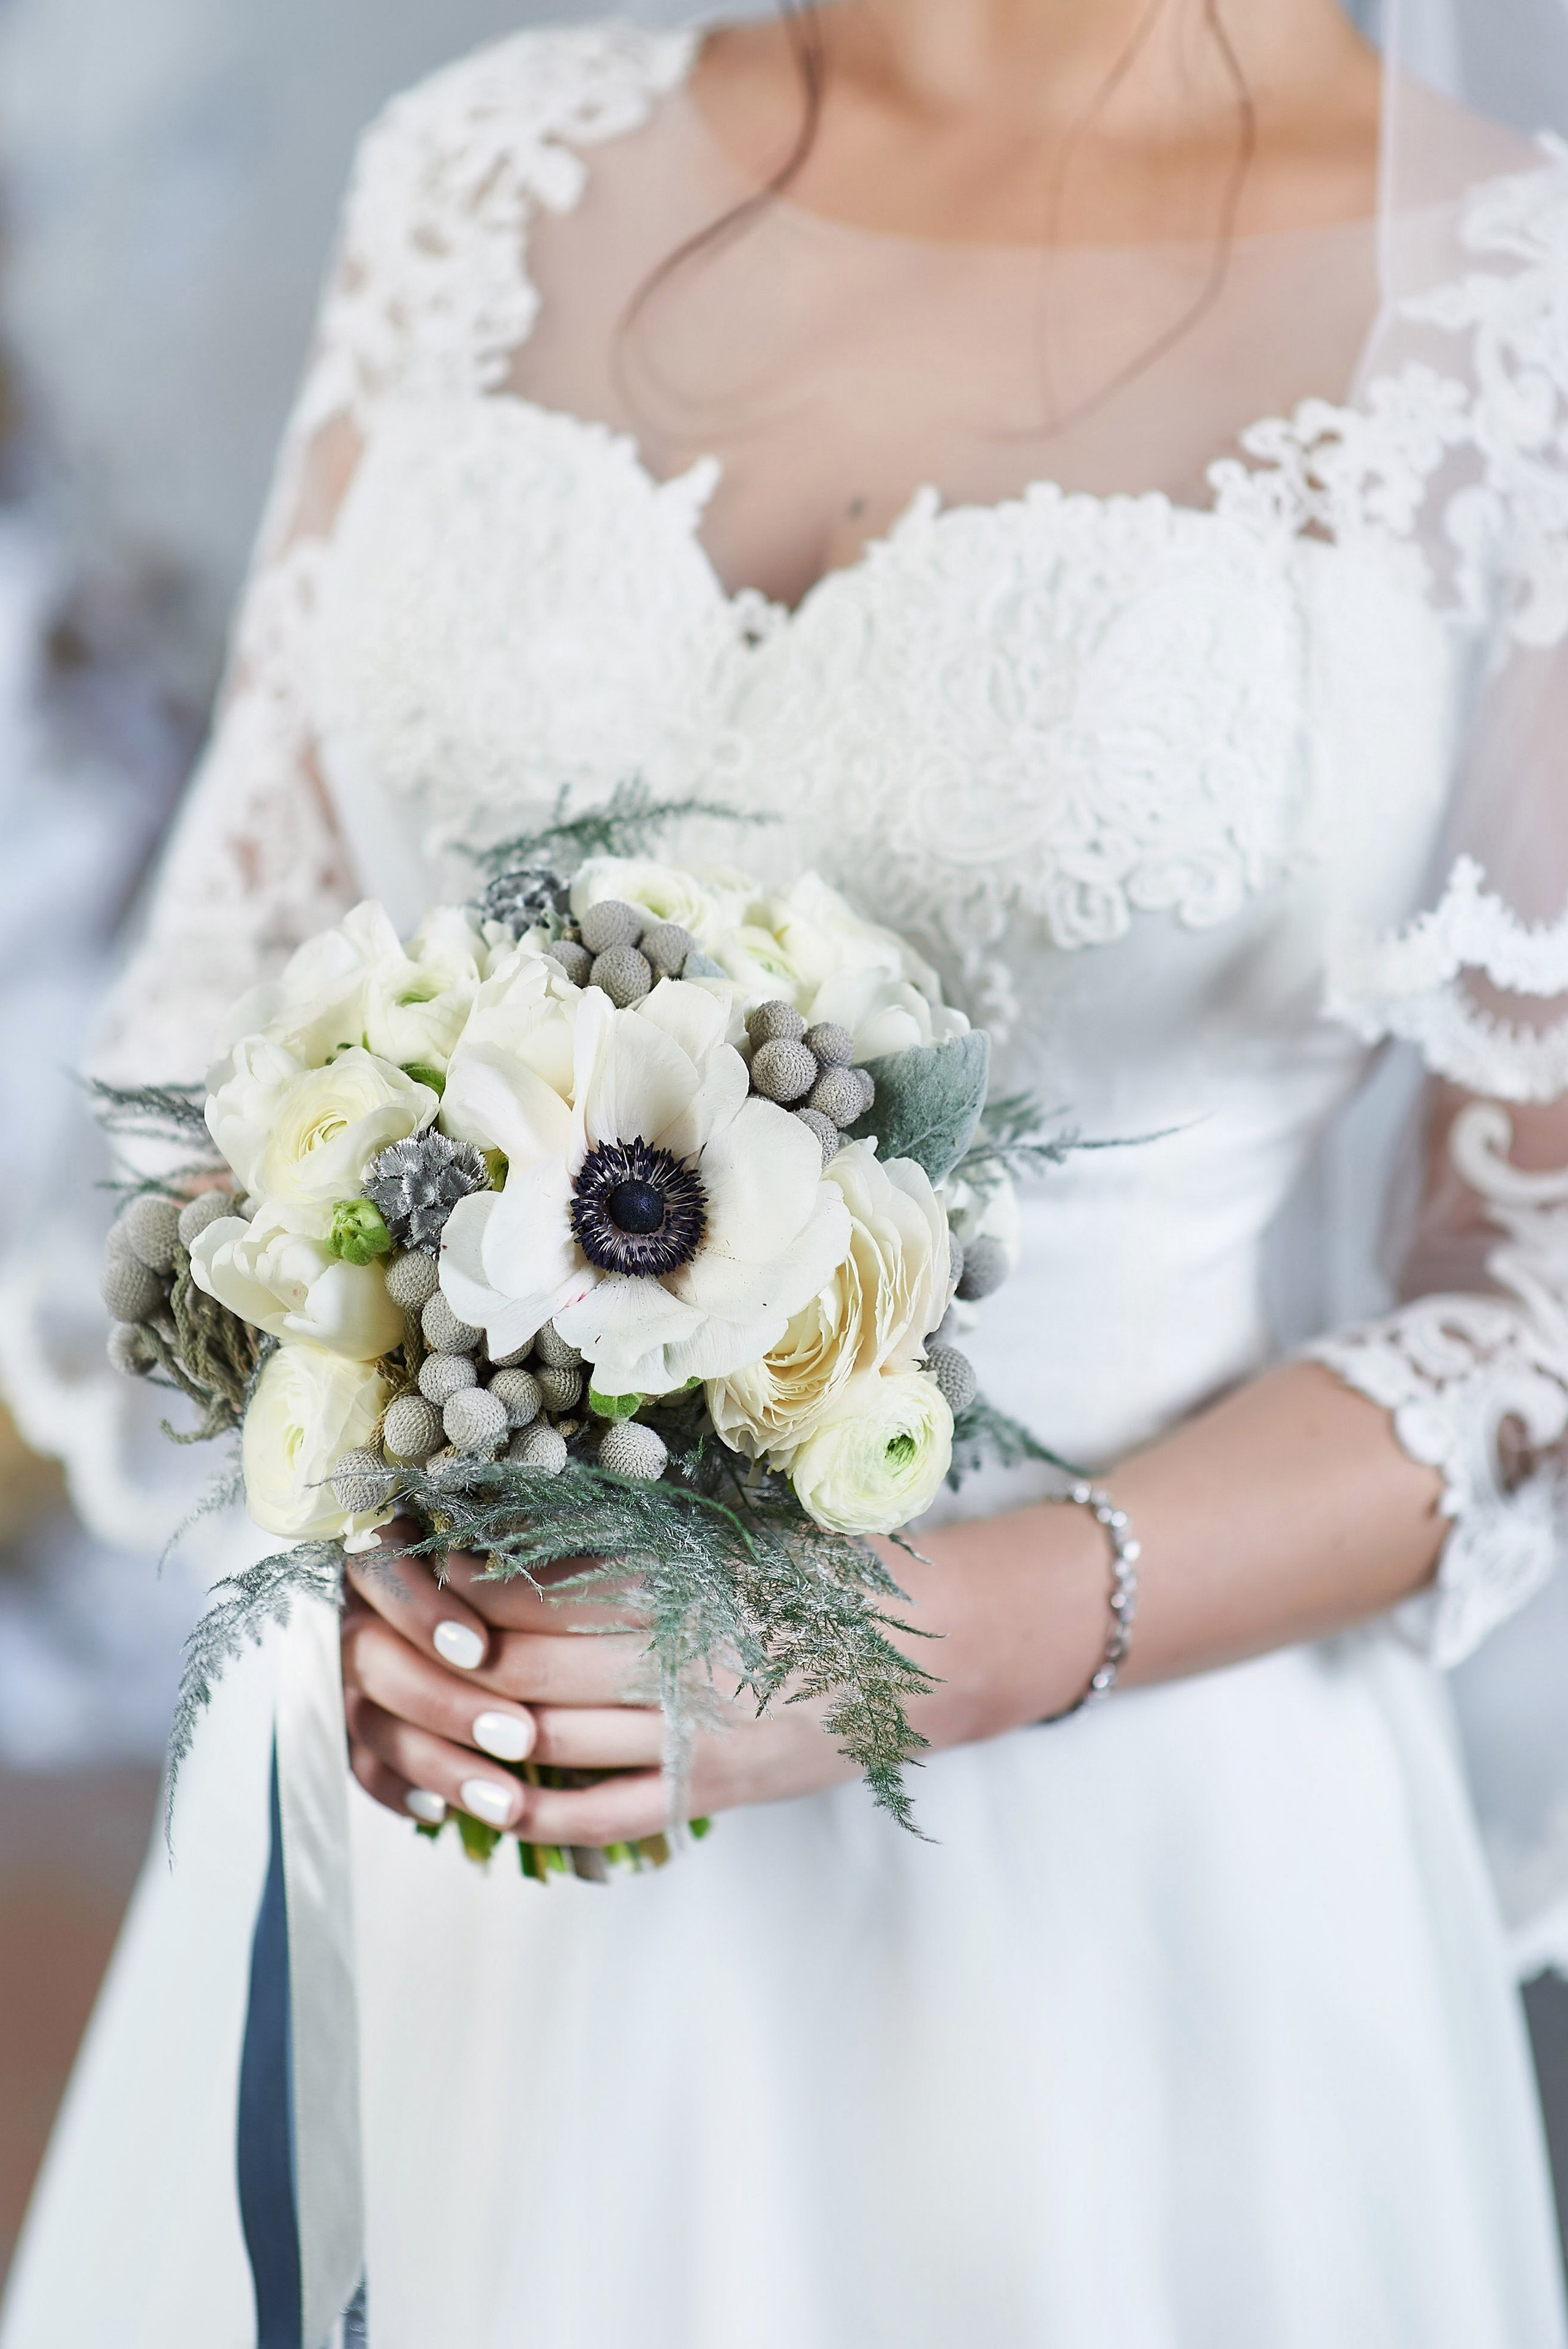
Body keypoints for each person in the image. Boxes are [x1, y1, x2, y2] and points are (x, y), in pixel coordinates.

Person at [6, 2, 1568, 2342]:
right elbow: (210, 1043)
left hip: (1115, 1894)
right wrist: (376, 1481)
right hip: (446, 1810)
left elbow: (1533, 1301)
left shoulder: (1510, 306)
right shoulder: (480, 172)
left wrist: (897, 1657)